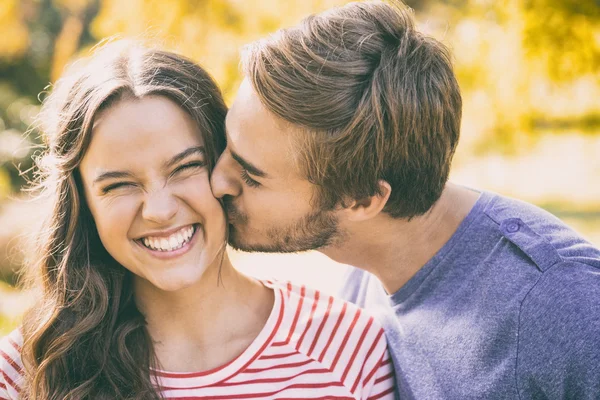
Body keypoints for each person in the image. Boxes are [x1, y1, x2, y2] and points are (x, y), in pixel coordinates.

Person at [210, 1, 600, 399]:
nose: (216, 181)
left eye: (250, 176)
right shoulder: (363, 268)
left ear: (362, 200)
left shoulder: (563, 303)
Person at [0, 40, 395, 399]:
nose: (158, 210)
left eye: (185, 167)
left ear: (227, 165)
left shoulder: (348, 347)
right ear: (84, 203)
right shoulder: (25, 372)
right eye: (119, 185)